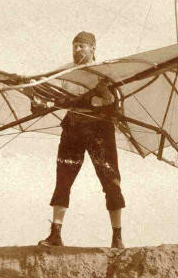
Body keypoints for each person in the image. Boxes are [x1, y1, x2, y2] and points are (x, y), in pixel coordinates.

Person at [35, 31, 125, 249]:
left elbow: (115, 103)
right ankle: (55, 234)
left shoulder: (105, 71)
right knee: (63, 178)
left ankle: (117, 237)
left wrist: (104, 96)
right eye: (74, 46)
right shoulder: (65, 72)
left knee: (111, 180)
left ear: (93, 49)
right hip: (73, 128)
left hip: (100, 131)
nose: (77, 50)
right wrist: (40, 103)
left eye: (81, 46)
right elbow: (53, 97)